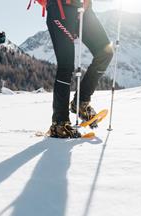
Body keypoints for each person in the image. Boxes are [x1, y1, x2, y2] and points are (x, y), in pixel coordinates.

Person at [46, 0, 114, 138]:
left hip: (84, 7)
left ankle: (81, 103)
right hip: (61, 7)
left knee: (105, 52)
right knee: (66, 65)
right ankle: (59, 122)